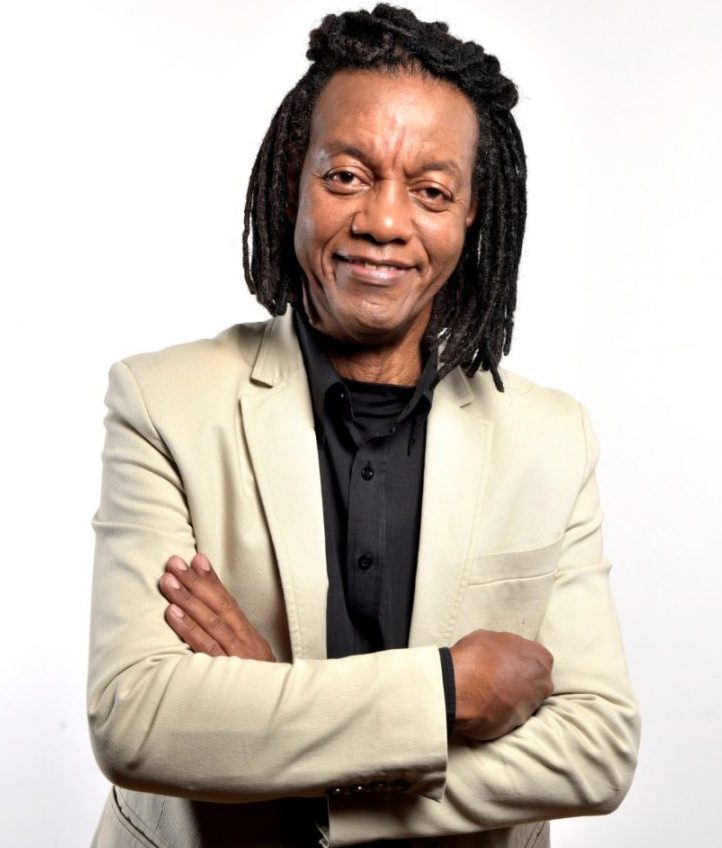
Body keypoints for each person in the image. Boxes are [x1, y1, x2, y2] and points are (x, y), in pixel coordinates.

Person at [87, 5, 640, 847]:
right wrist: (447, 691)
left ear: (473, 214)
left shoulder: (552, 438)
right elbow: (136, 716)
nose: (384, 221)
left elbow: (596, 751)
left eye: (431, 191)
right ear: (293, 180)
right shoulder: (164, 401)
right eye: (346, 176)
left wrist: (284, 737)